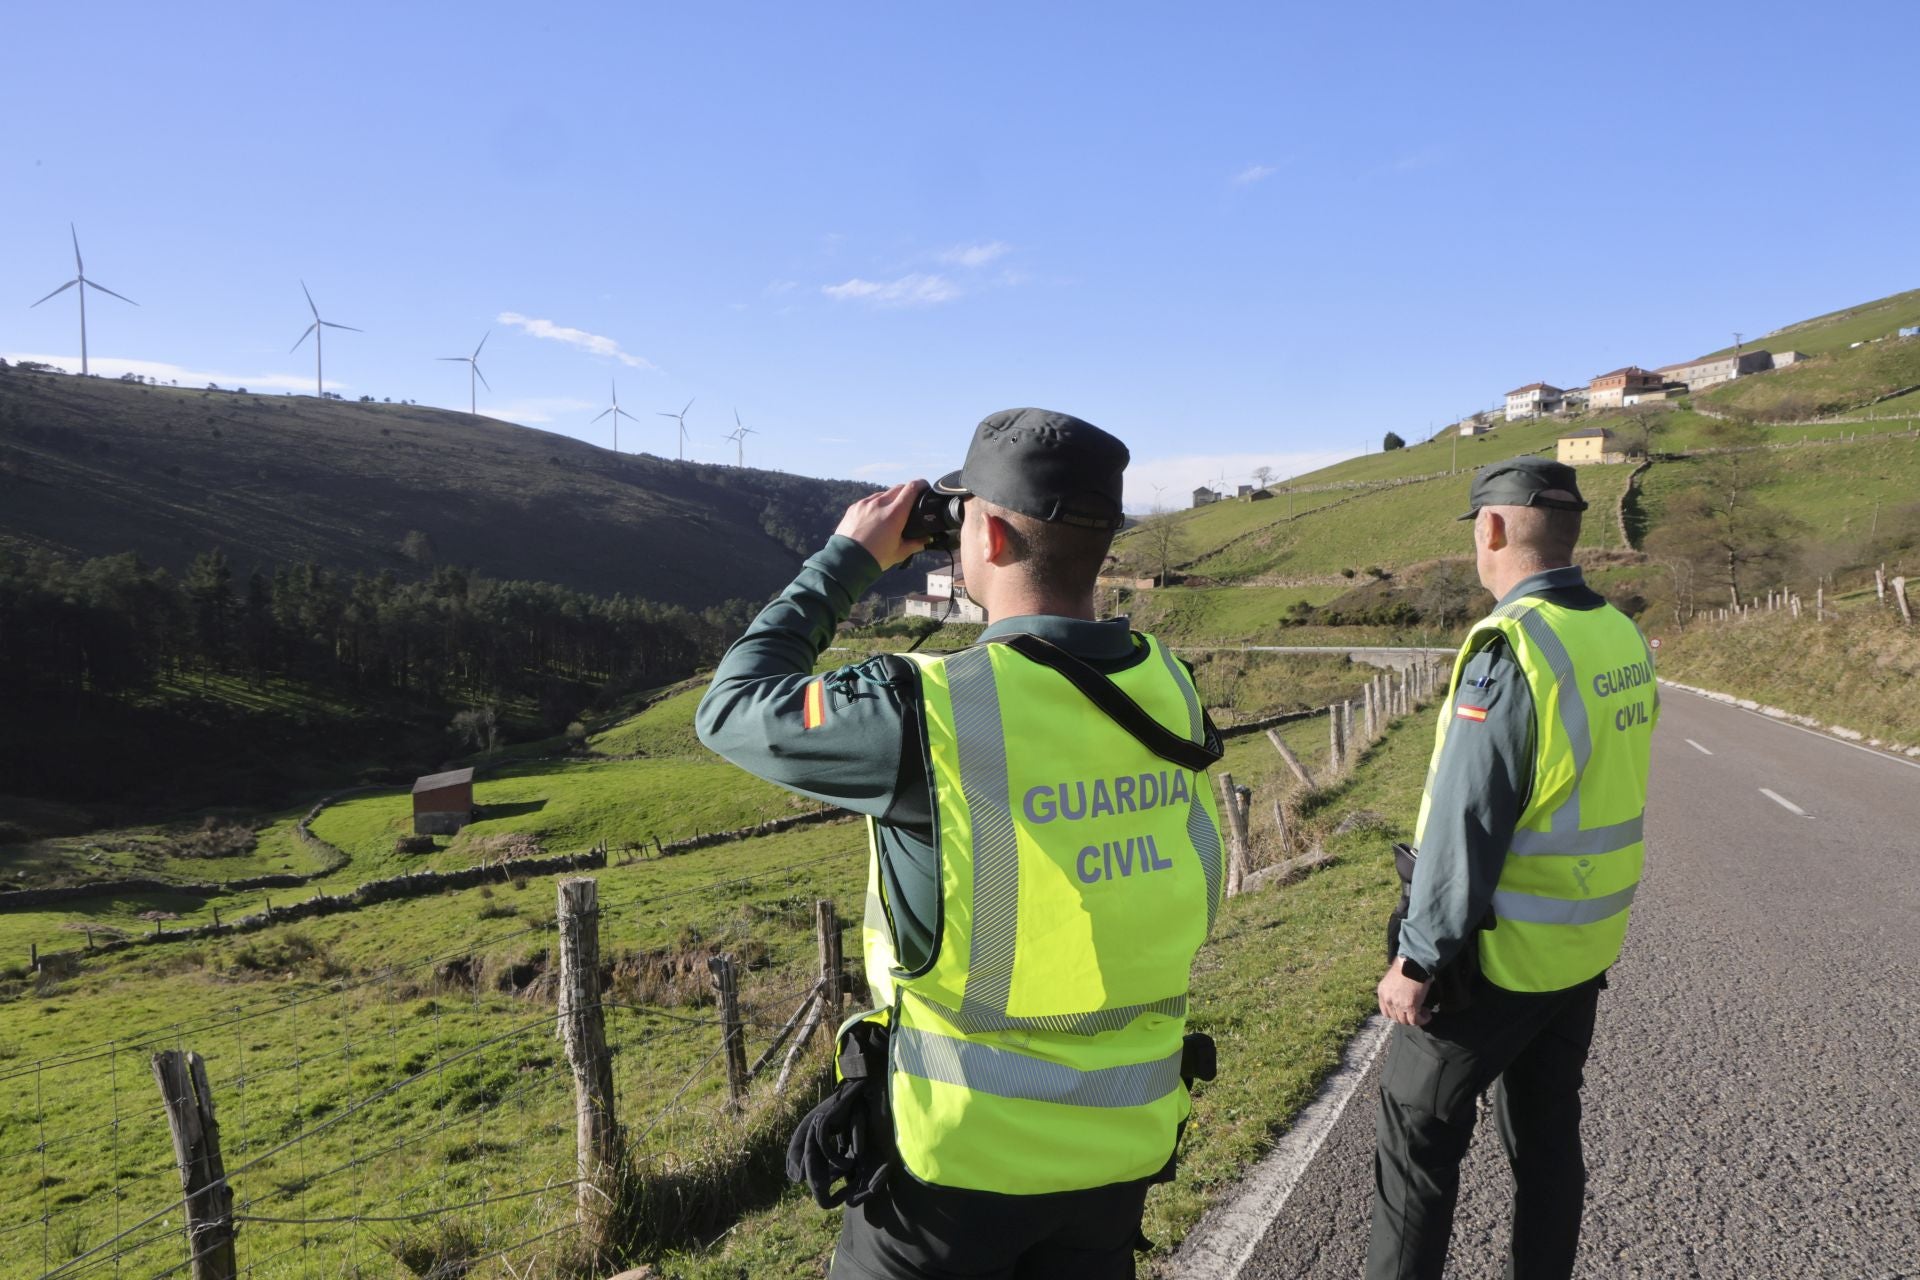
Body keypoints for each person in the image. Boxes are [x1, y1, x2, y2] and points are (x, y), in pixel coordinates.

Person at [695, 408, 1228, 1279]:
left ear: (991, 535)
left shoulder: (933, 709)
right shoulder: (1169, 687)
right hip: (1124, 1143)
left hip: (953, 1169)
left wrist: (849, 559)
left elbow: (730, 708)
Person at [1366, 456, 1658, 1280]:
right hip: (1582, 949)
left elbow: (1469, 821)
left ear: (1491, 529)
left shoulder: (1513, 645)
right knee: (1547, 1145)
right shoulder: (1618, 631)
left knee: (1415, 1151)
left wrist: (1418, 958)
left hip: (1496, 959)